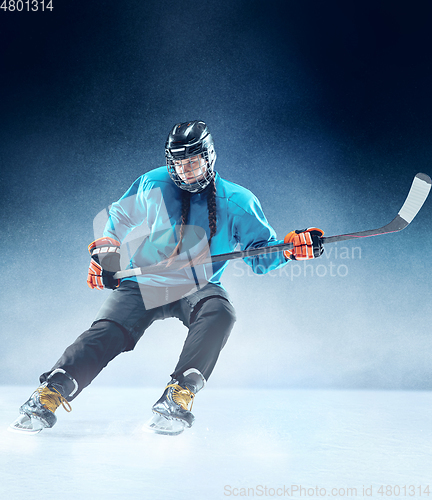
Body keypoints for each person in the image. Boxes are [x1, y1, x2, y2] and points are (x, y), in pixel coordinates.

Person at [10, 120, 324, 435]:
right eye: (178, 162)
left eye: (192, 161)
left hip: (198, 284)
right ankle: (50, 393)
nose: (185, 169)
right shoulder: (153, 184)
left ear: (209, 157)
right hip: (144, 281)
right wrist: (106, 256)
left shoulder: (238, 202)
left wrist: (289, 250)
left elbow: (260, 254)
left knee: (220, 312)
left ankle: (179, 394)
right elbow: (119, 215)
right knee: (108, 331)